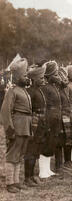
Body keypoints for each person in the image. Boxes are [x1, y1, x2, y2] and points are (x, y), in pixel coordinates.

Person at [0, 58, 33, 193]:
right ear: (18, 76)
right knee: (12, 154)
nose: (27, 78)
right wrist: (9, 129)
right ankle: (9, 183)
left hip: (25, 126)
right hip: (17, 126)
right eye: (24, 75)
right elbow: (5, 111)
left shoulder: (24, 90)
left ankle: (16, 181)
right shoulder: (12, 91)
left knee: (19, 154)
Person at [23, 64, 47, 187]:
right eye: (41, 78)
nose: (43, 80)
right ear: (34, 79)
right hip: (34, 123)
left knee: (36, 149)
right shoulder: (30, 92)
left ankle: (32, 175)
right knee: (30, 150)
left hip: (41, 123)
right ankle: (27, 177)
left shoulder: (39, 90)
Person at [40, 61, 62, 178]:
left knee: (52, 142)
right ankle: (42, 170)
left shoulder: (54, 87)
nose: (57, 76)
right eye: (55, 74)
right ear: (49, 75)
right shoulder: (45, 88)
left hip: (55, 118)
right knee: (46, 142)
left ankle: (47, 169)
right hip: (49, 118)